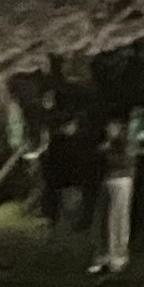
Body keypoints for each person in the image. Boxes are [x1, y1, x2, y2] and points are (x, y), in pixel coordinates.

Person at [45, 102, 104, 252]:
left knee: (66, 214)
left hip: (65, 184)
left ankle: (62, 243)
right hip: (68, 183)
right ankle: (63, 244)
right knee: (68, 214)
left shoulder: (60, 142)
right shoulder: (66, 143)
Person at [93, 114, 137, 276]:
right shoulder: (110, 145)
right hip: (110, 182)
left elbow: (125, 162)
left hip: (120, 181)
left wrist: (107, 152)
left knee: (118, 218)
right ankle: (110, 254)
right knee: (108, 219)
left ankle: (118, 255)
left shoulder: (124, 145)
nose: (108, 130)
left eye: (111, 128)